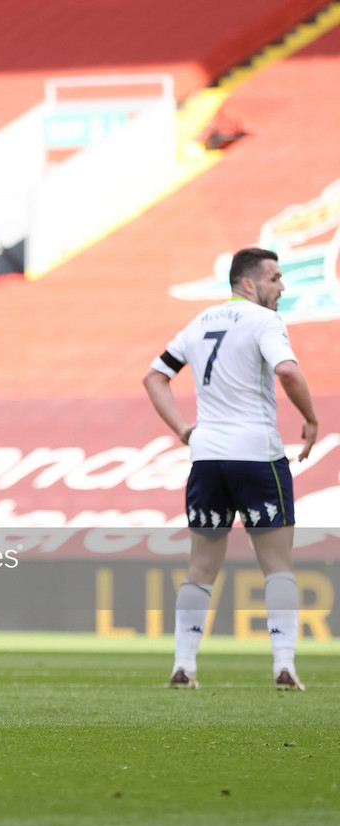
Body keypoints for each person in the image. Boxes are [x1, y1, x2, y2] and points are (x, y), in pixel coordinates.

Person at [144, 247, 317, 690]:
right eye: (275, 278)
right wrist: (311, 420)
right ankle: (284, 665)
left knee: (200, 568)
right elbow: (289, 372)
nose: (282, 287)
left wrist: (184, 429)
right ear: (248, 283)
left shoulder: (200, 322)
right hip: (257, 455)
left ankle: (183, 665)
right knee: (277, 565)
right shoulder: (265, 322)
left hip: (207, 459)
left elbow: (155, 377)